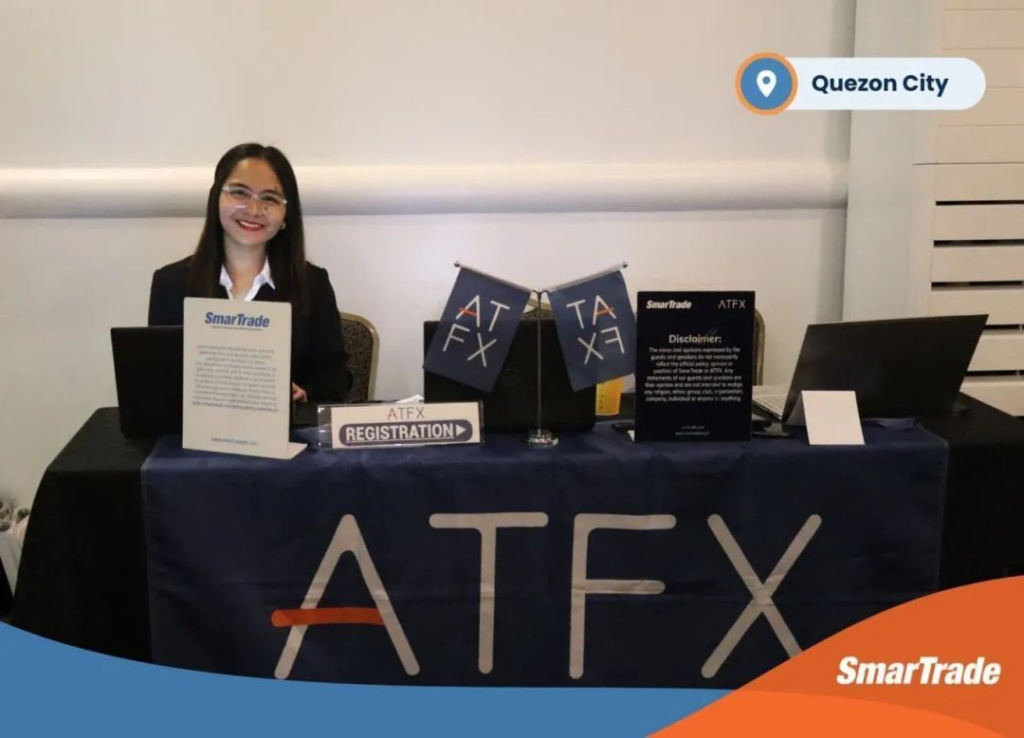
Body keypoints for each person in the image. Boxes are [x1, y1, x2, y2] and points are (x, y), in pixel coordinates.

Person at [148, 143, 349, 403]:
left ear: (286, 213)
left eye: (270, 198)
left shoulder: (313, 284)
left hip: (287, 427)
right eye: (240, 193)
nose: (254, 210)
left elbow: (335, 380)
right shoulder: (171, 283)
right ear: (216, 198)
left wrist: (304, 394)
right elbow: (157, 381)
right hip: (194, 427)